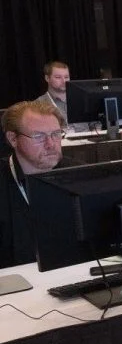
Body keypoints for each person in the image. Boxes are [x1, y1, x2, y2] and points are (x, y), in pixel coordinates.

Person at [1, 101, 78, 269]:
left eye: (56, 134)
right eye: (38, 136)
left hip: (73, 271)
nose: (50, 144)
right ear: (13, 139)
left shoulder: (81, 175)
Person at [35, 61, 76, 129]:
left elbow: (94, 126)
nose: (64, 81)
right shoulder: (38, 105)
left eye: (66, 77)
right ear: (47, 78)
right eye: (58, 77)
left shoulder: (81, 100)